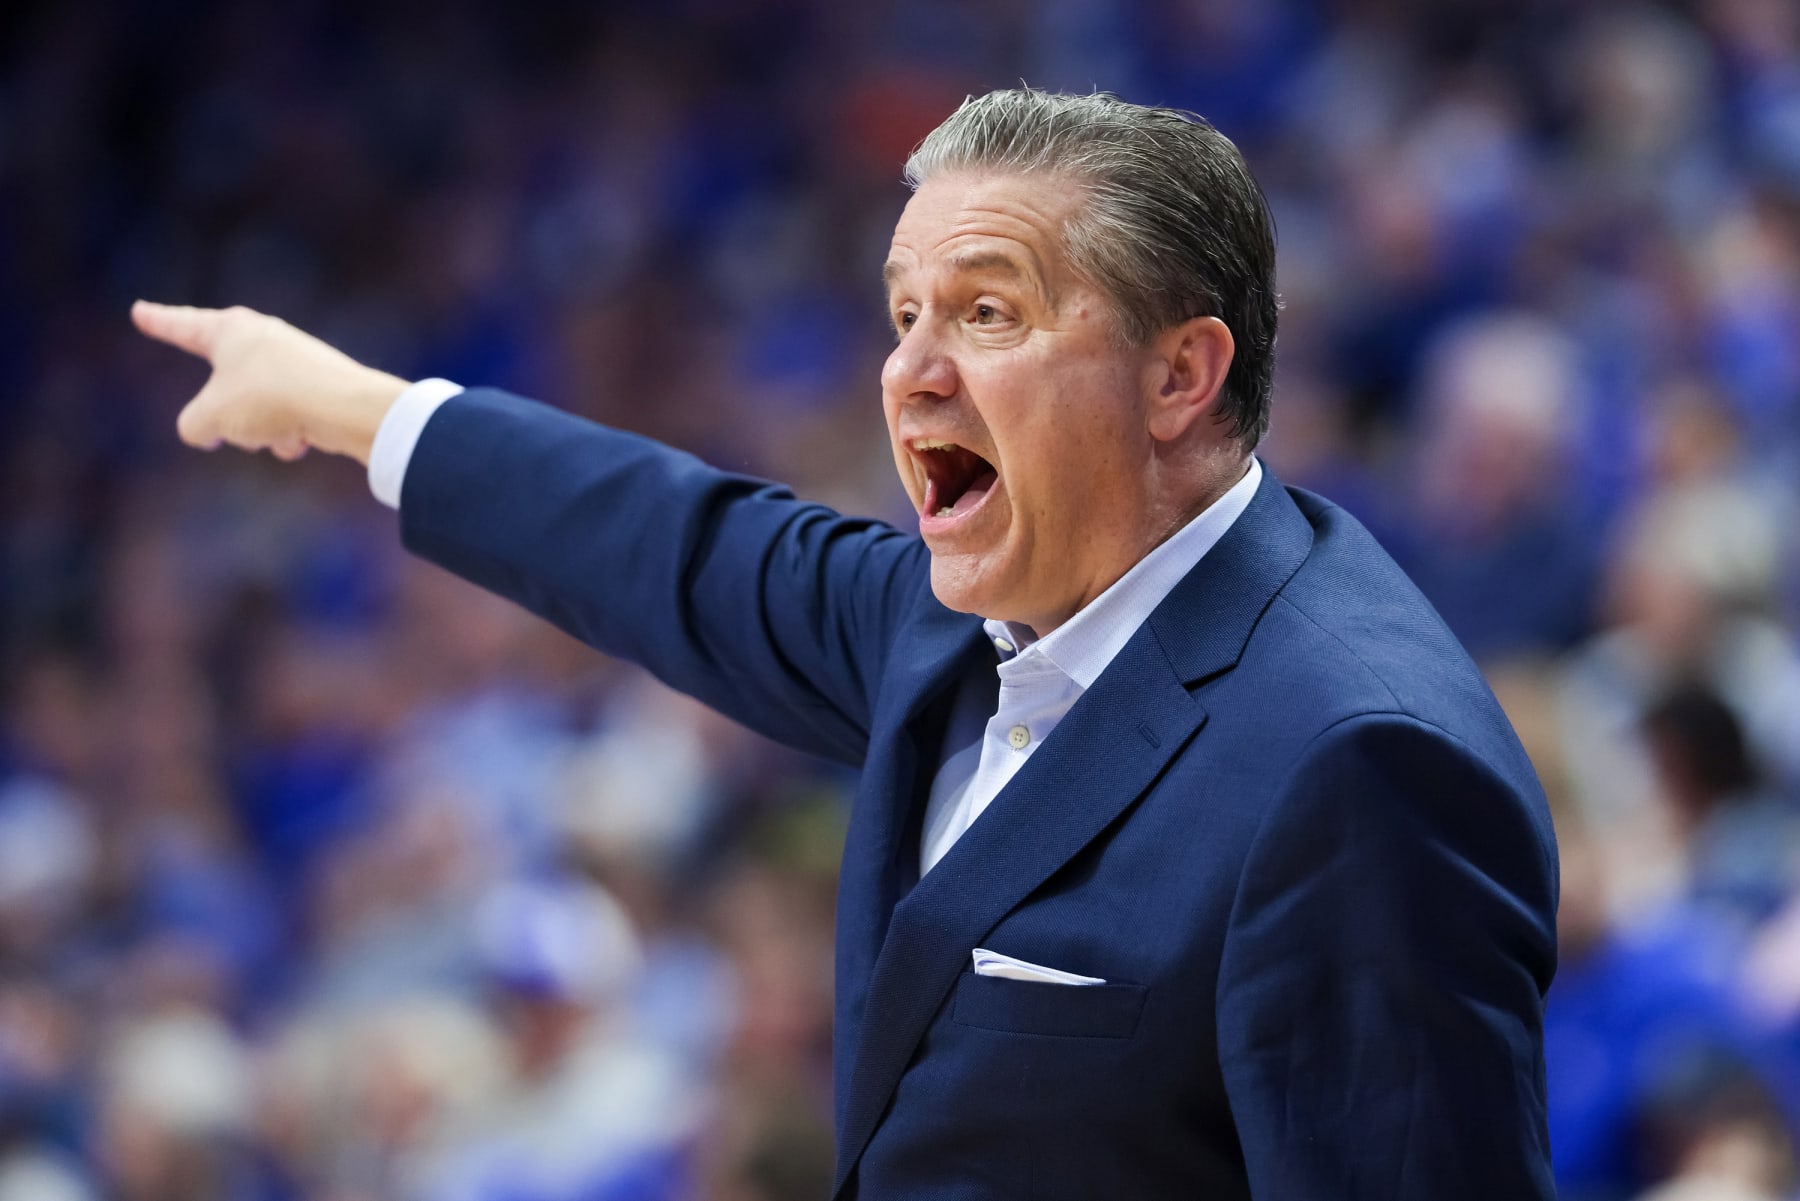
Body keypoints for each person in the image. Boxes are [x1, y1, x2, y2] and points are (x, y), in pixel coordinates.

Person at [133, 89, 1559, 1200]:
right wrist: (354, 409)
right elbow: (679, 548)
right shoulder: (972, 617)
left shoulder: (1358, 765)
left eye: (987, 312)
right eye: (902, 313)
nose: (913, 370)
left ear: (1180, 373)